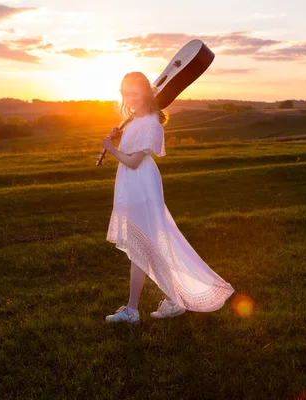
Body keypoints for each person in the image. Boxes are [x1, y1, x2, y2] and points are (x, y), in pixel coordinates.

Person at [101, 71, 235, 325]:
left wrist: (112, 149)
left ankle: (133, 310)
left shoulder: (151, 123)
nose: (129, 99)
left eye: (135, 93)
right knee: (146, 246)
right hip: (133, 185)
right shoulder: (135, 120)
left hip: (141, 185)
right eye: (125, 93)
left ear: (146, 93)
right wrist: (120, 137)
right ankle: (172, 300)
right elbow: (131, 149)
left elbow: (132, 161)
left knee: (142, 247)